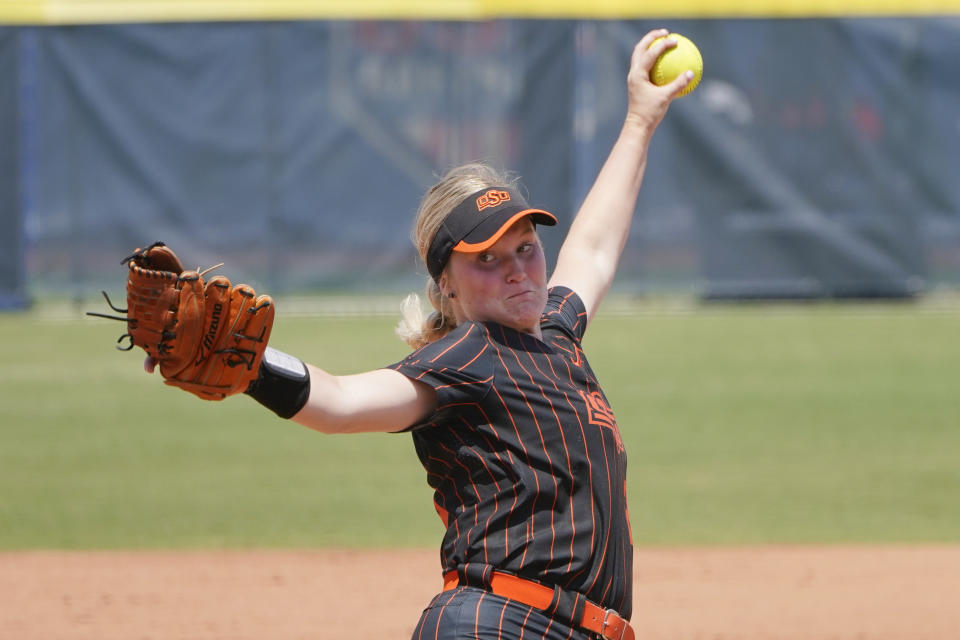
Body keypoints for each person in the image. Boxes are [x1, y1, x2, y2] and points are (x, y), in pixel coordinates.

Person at [151, 28, 691, 640]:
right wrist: (248, 364)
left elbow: (592, 250)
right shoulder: (468, 355)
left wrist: (640, 121)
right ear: (448, 285)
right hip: (498, 625)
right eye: (486, 257)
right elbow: (341, 402)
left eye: (525, 247)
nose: (517, 268)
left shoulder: (558, 335)